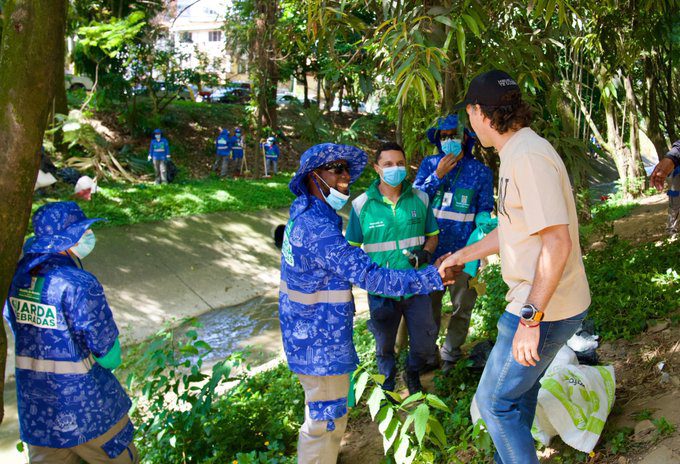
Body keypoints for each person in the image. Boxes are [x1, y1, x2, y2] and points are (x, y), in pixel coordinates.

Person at [438, 70, 591, 464]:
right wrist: (459, 256)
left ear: (478, 112)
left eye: (469, 115)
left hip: (542, 307)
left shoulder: (528, 157)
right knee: (517, 397)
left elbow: (556, 242)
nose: (468, 124)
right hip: (543, 303)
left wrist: (530, 318)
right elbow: (513, 231)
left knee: (493, 404)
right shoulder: (515, 154)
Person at [280, 143, 460, 464]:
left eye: (347, 169)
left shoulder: (308, 214)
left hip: (315, 339)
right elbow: (369, 274)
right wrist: (432, 278)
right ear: (313, 177)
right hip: (319, 346)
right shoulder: (318, 229)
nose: (346, 176)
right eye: (337, 170)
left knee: (329, 416)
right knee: (325, 422)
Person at [4, 201, 138, 463]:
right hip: (91, 416)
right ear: (69, 238)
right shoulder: (77, 283)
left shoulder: (16, 277)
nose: (87, 236)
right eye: (83, 231)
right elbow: (109, 355)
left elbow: (15, 324)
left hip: (39, 419)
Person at [345, 142, 440, 395]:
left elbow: (433, 235)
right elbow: (352, 249)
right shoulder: (361, 205)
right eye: (388, 164)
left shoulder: (420, 198)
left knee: (425, 342)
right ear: (377, 168)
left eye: (399, 163)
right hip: (381, 292)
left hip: (416, 286)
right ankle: (387, 384)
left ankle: (411, 371)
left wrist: (427, 252)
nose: (394, 168)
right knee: (384, 344)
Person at [413, 114, 494, 370]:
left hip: (465, 252)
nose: (449, 141)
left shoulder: (480, 171)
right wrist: (437, 175)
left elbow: (484, 206)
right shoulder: (429, 165)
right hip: (431, 251)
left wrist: (485, 223)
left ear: (466, 138)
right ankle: (429, 354)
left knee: (462, 305)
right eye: (444, 137)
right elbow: (415, 201)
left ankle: (451, 354)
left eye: (454, 136)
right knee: (430, 307)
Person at [650, 140, 680, 237]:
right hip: (676, 185)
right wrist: (673, 157)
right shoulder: (674, 167)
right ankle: (671, 230)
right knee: (674, 206)